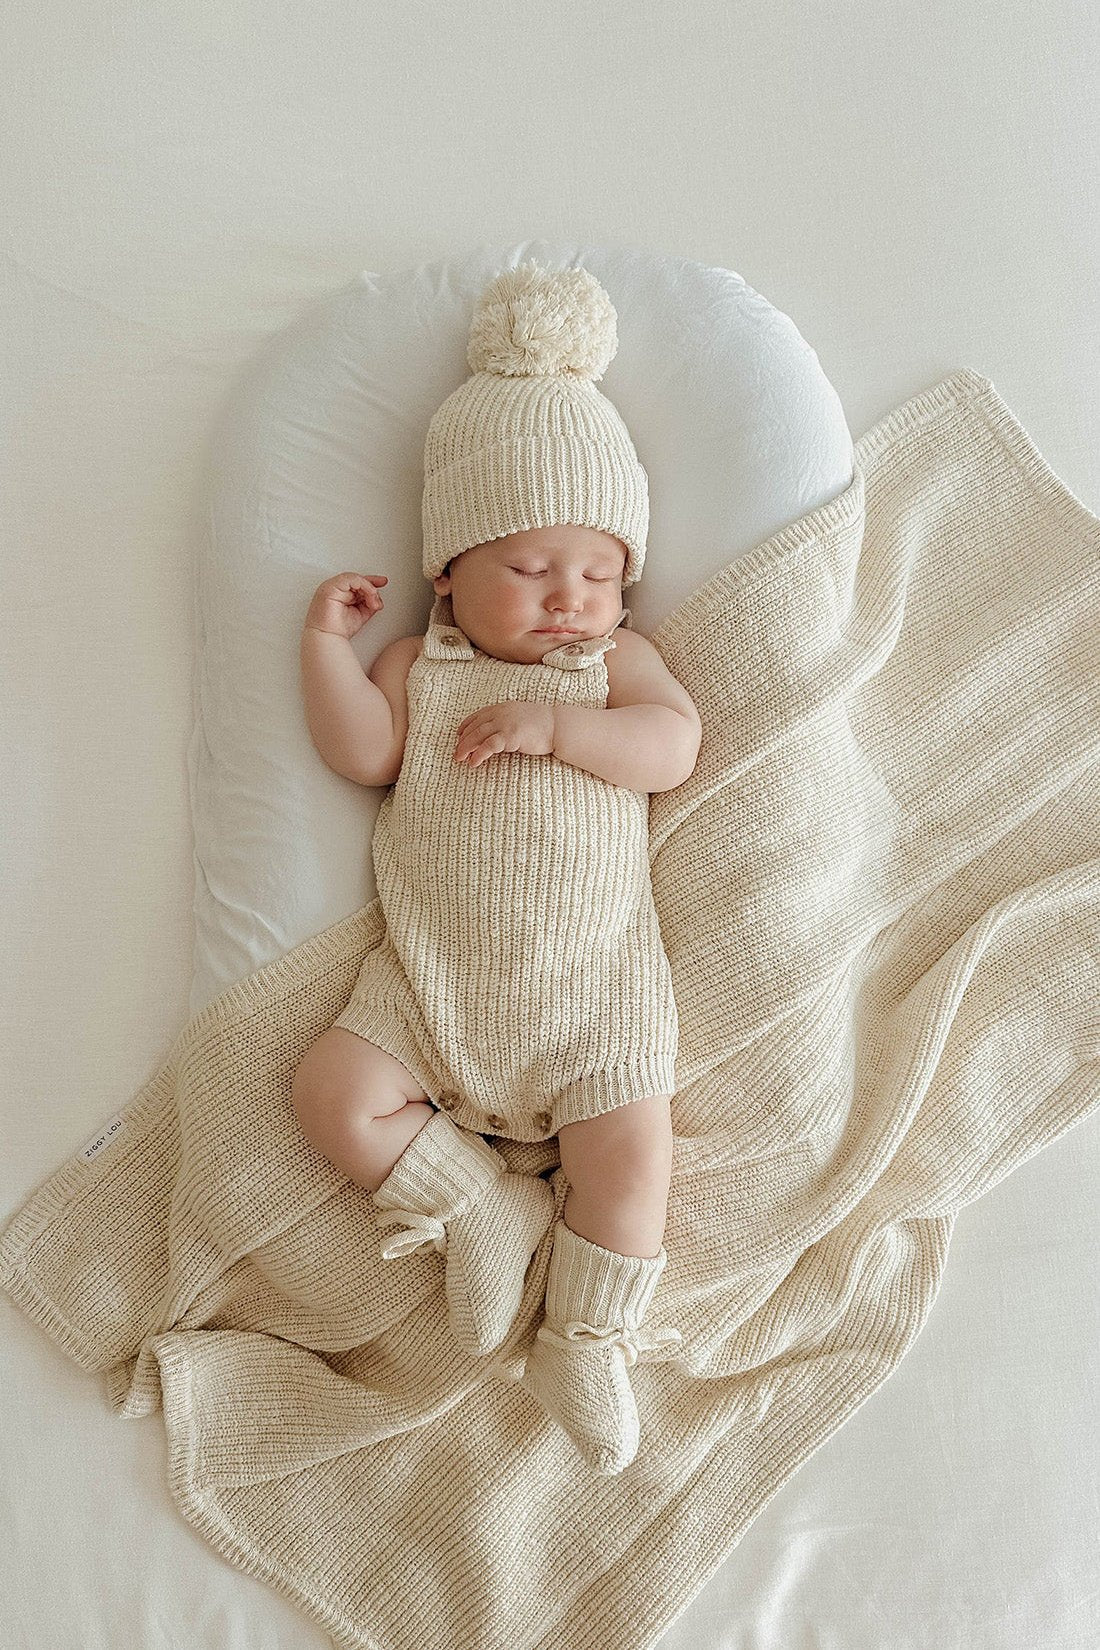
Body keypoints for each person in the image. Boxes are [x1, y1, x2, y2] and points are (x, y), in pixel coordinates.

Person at [291, 262, 701, 1476]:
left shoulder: (611, 668)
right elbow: (361, 754)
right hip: (428, 988)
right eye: (531, 569)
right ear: (449, 572)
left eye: (598, 571)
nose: (571, 599)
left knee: (633, 1157)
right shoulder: (420, 665)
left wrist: (565, 729)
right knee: (327, 1089)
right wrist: (326, 647)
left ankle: (585, 1333)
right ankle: (476, 1210)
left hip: (593, 998)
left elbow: (672, 750)